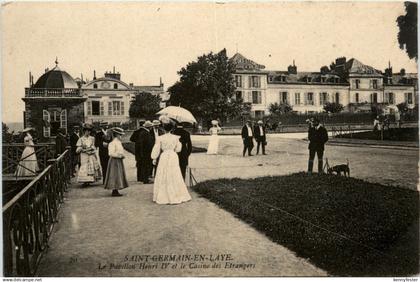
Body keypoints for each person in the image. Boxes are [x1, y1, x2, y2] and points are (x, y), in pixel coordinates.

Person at [151, 116, 192, 205]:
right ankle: (176, 193)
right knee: (174, 173)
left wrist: (154, 158)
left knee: (163, 172)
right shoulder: (176, 138)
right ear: (171, 128)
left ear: (163, 128)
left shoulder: (160, 138)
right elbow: (178, 149)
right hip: (173, 156)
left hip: (164, 155)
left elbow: (156, 149)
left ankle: (163, 194)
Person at [104, 127, 129, 197]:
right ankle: (114, 190)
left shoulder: (118, 142)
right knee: (114, 175)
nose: (121, 136)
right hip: (114, 161)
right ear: (116, 135)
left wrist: (122, 155)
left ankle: (116, 189)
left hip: (118, 161)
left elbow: (120, 151)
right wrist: (119, 156)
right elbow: (111, 153)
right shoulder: (112, 143)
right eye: (120, 135)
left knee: (118, 175)